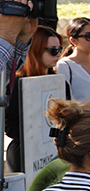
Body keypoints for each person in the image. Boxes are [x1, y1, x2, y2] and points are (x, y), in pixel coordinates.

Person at [5, 26, 67, 173]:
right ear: (36, 50)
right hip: (25, 154)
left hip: (53, 152)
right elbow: (10, 125)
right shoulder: (18, 83)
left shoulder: (60, 82)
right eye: (53, 50)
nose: (58, 54)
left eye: (60, 49)